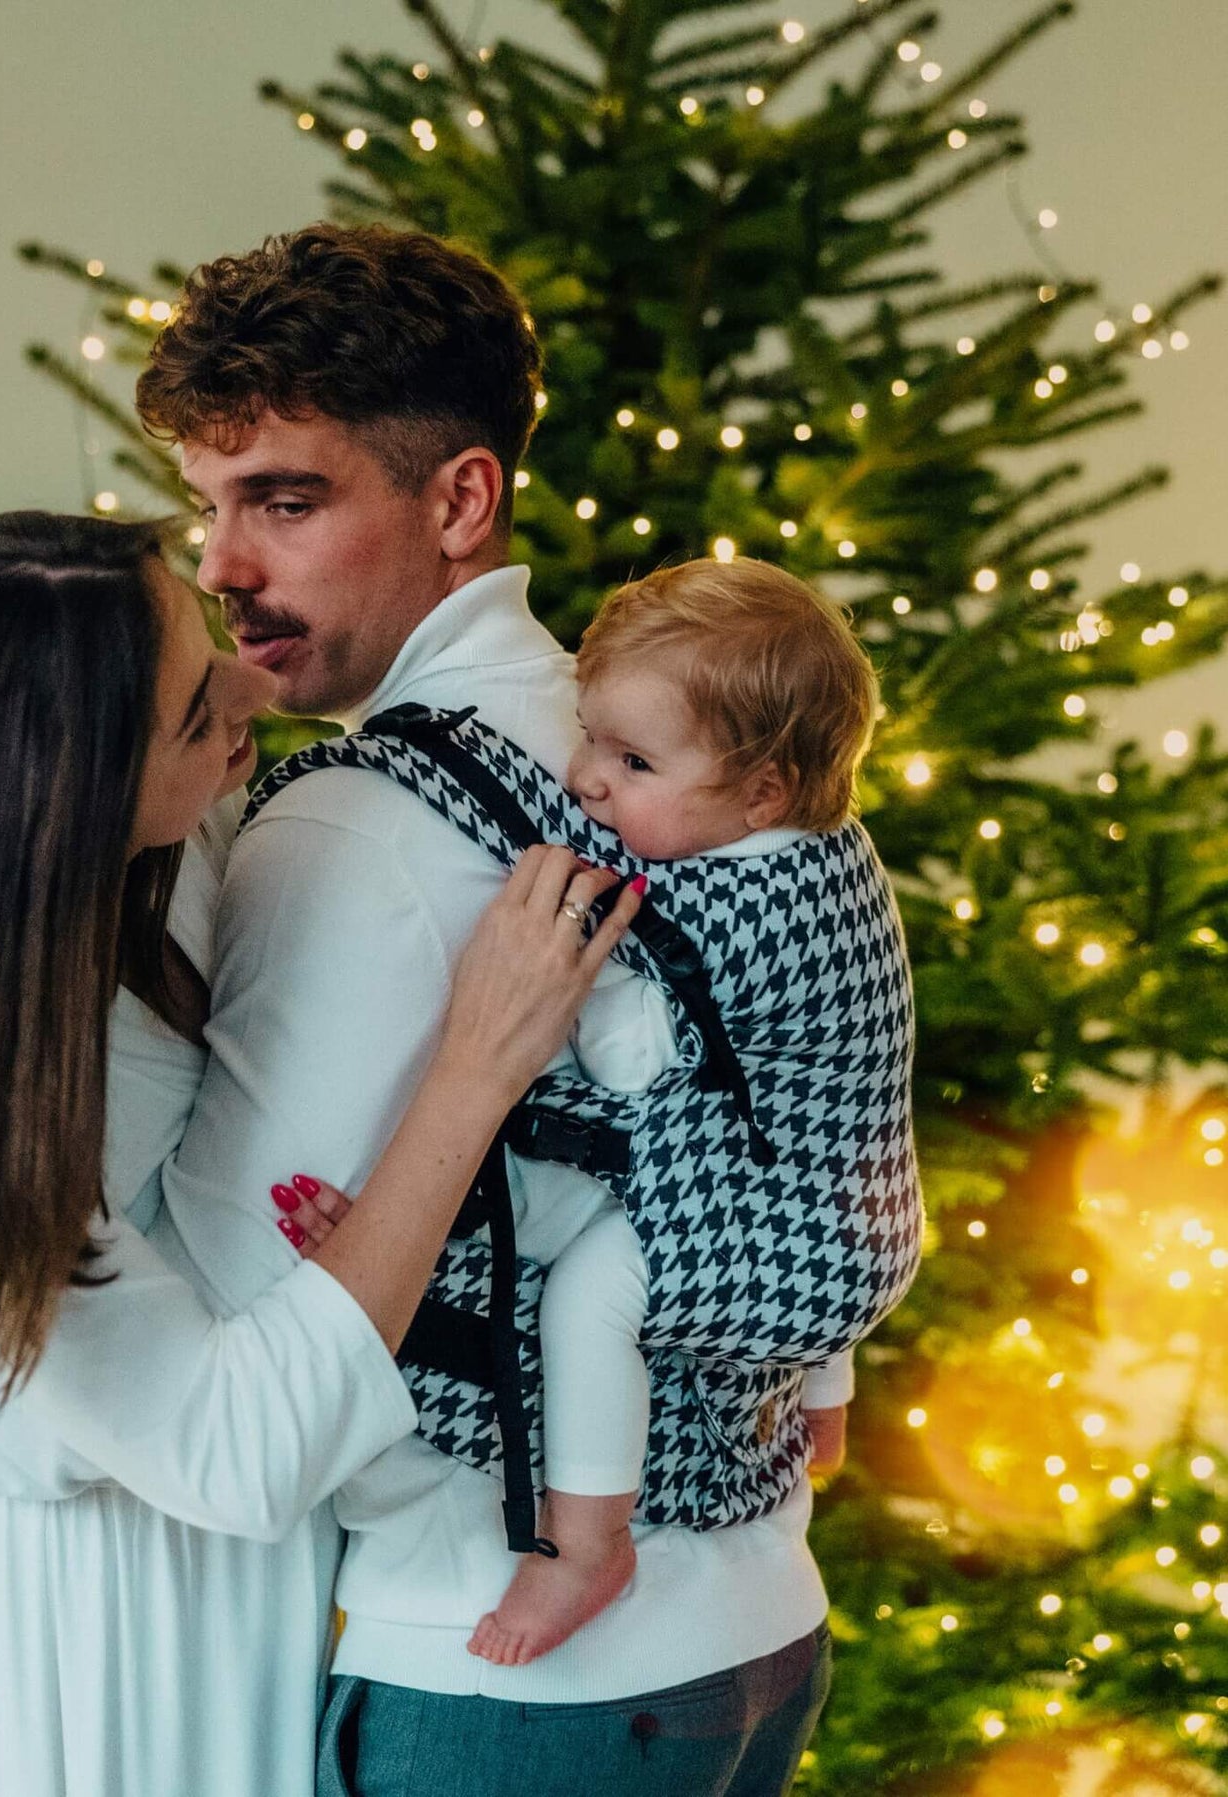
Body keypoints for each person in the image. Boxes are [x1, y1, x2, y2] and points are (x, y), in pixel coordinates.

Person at [0, 509, 639, 1797]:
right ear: (66, 799)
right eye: (199, 709)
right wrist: (477, 1068)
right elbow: (238, 1447)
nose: (255, 686)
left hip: (240, 1581)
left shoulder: (159, 857)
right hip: (98, 1640)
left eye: (207, 641)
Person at [138, 223, 839, 1794]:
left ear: (461, 499)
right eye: (209, 505)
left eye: (286, 500)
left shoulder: (346, 827)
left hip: (502, 1671)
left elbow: (242, 1337)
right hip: (755, 1622)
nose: (224, 565)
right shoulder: (664, 752)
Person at [425, 556, 886, 1665]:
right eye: (589, 737)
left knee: (591, 1293)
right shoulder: (831, 851)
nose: (586, 778)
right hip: (847, 1203)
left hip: (795, 1227)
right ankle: (820, 1398)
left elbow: (630, 1063)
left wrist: (568, 982)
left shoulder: (735, 910)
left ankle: (587, 1544)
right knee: (806, 1190)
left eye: (632, 761)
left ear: (761, 793)